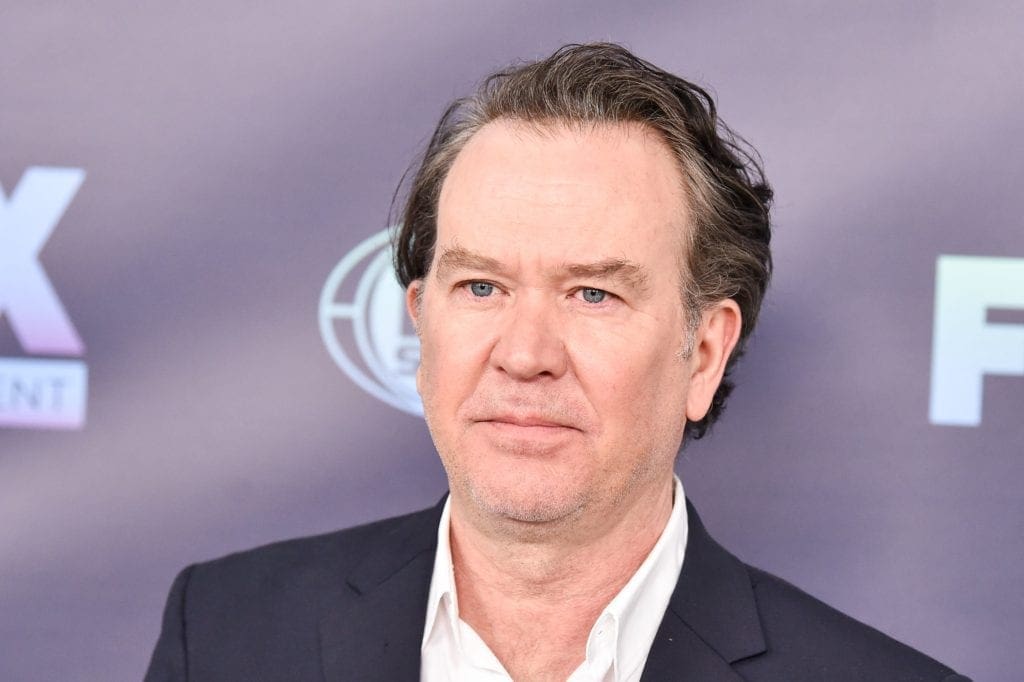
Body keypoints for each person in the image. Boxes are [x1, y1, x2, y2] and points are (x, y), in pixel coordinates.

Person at [144, 43, 970, 681]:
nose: (524, 354)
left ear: (703, 352)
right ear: (421, 325)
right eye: (481, 287)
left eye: (592, 294)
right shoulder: (222, 632)